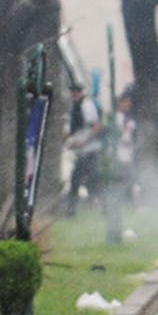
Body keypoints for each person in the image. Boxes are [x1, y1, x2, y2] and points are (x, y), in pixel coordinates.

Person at [65, 83, 103, 216]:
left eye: (76, 92)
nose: (74, 94)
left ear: (81, 92)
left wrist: (82, 142)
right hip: (81, 152)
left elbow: (96, 127)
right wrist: (71, 142)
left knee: (94, 180)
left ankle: (106, 208)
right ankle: (71, 210)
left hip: (90, 151)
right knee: (76, 180)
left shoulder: (87, 106)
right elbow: (74, 130)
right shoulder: (74, 107)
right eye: (72, 91)